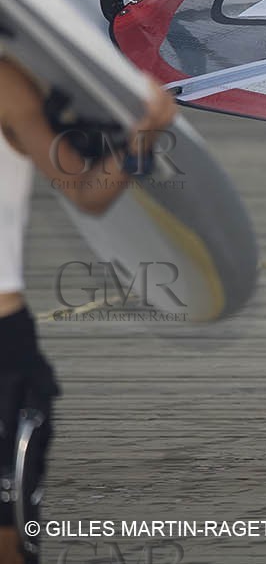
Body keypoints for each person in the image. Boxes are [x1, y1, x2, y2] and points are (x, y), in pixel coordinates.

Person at [0, 56, 177, 564]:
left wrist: (143, 132)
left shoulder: (8, 81)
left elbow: (83, 189)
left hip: (3, 347)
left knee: (8, 541)